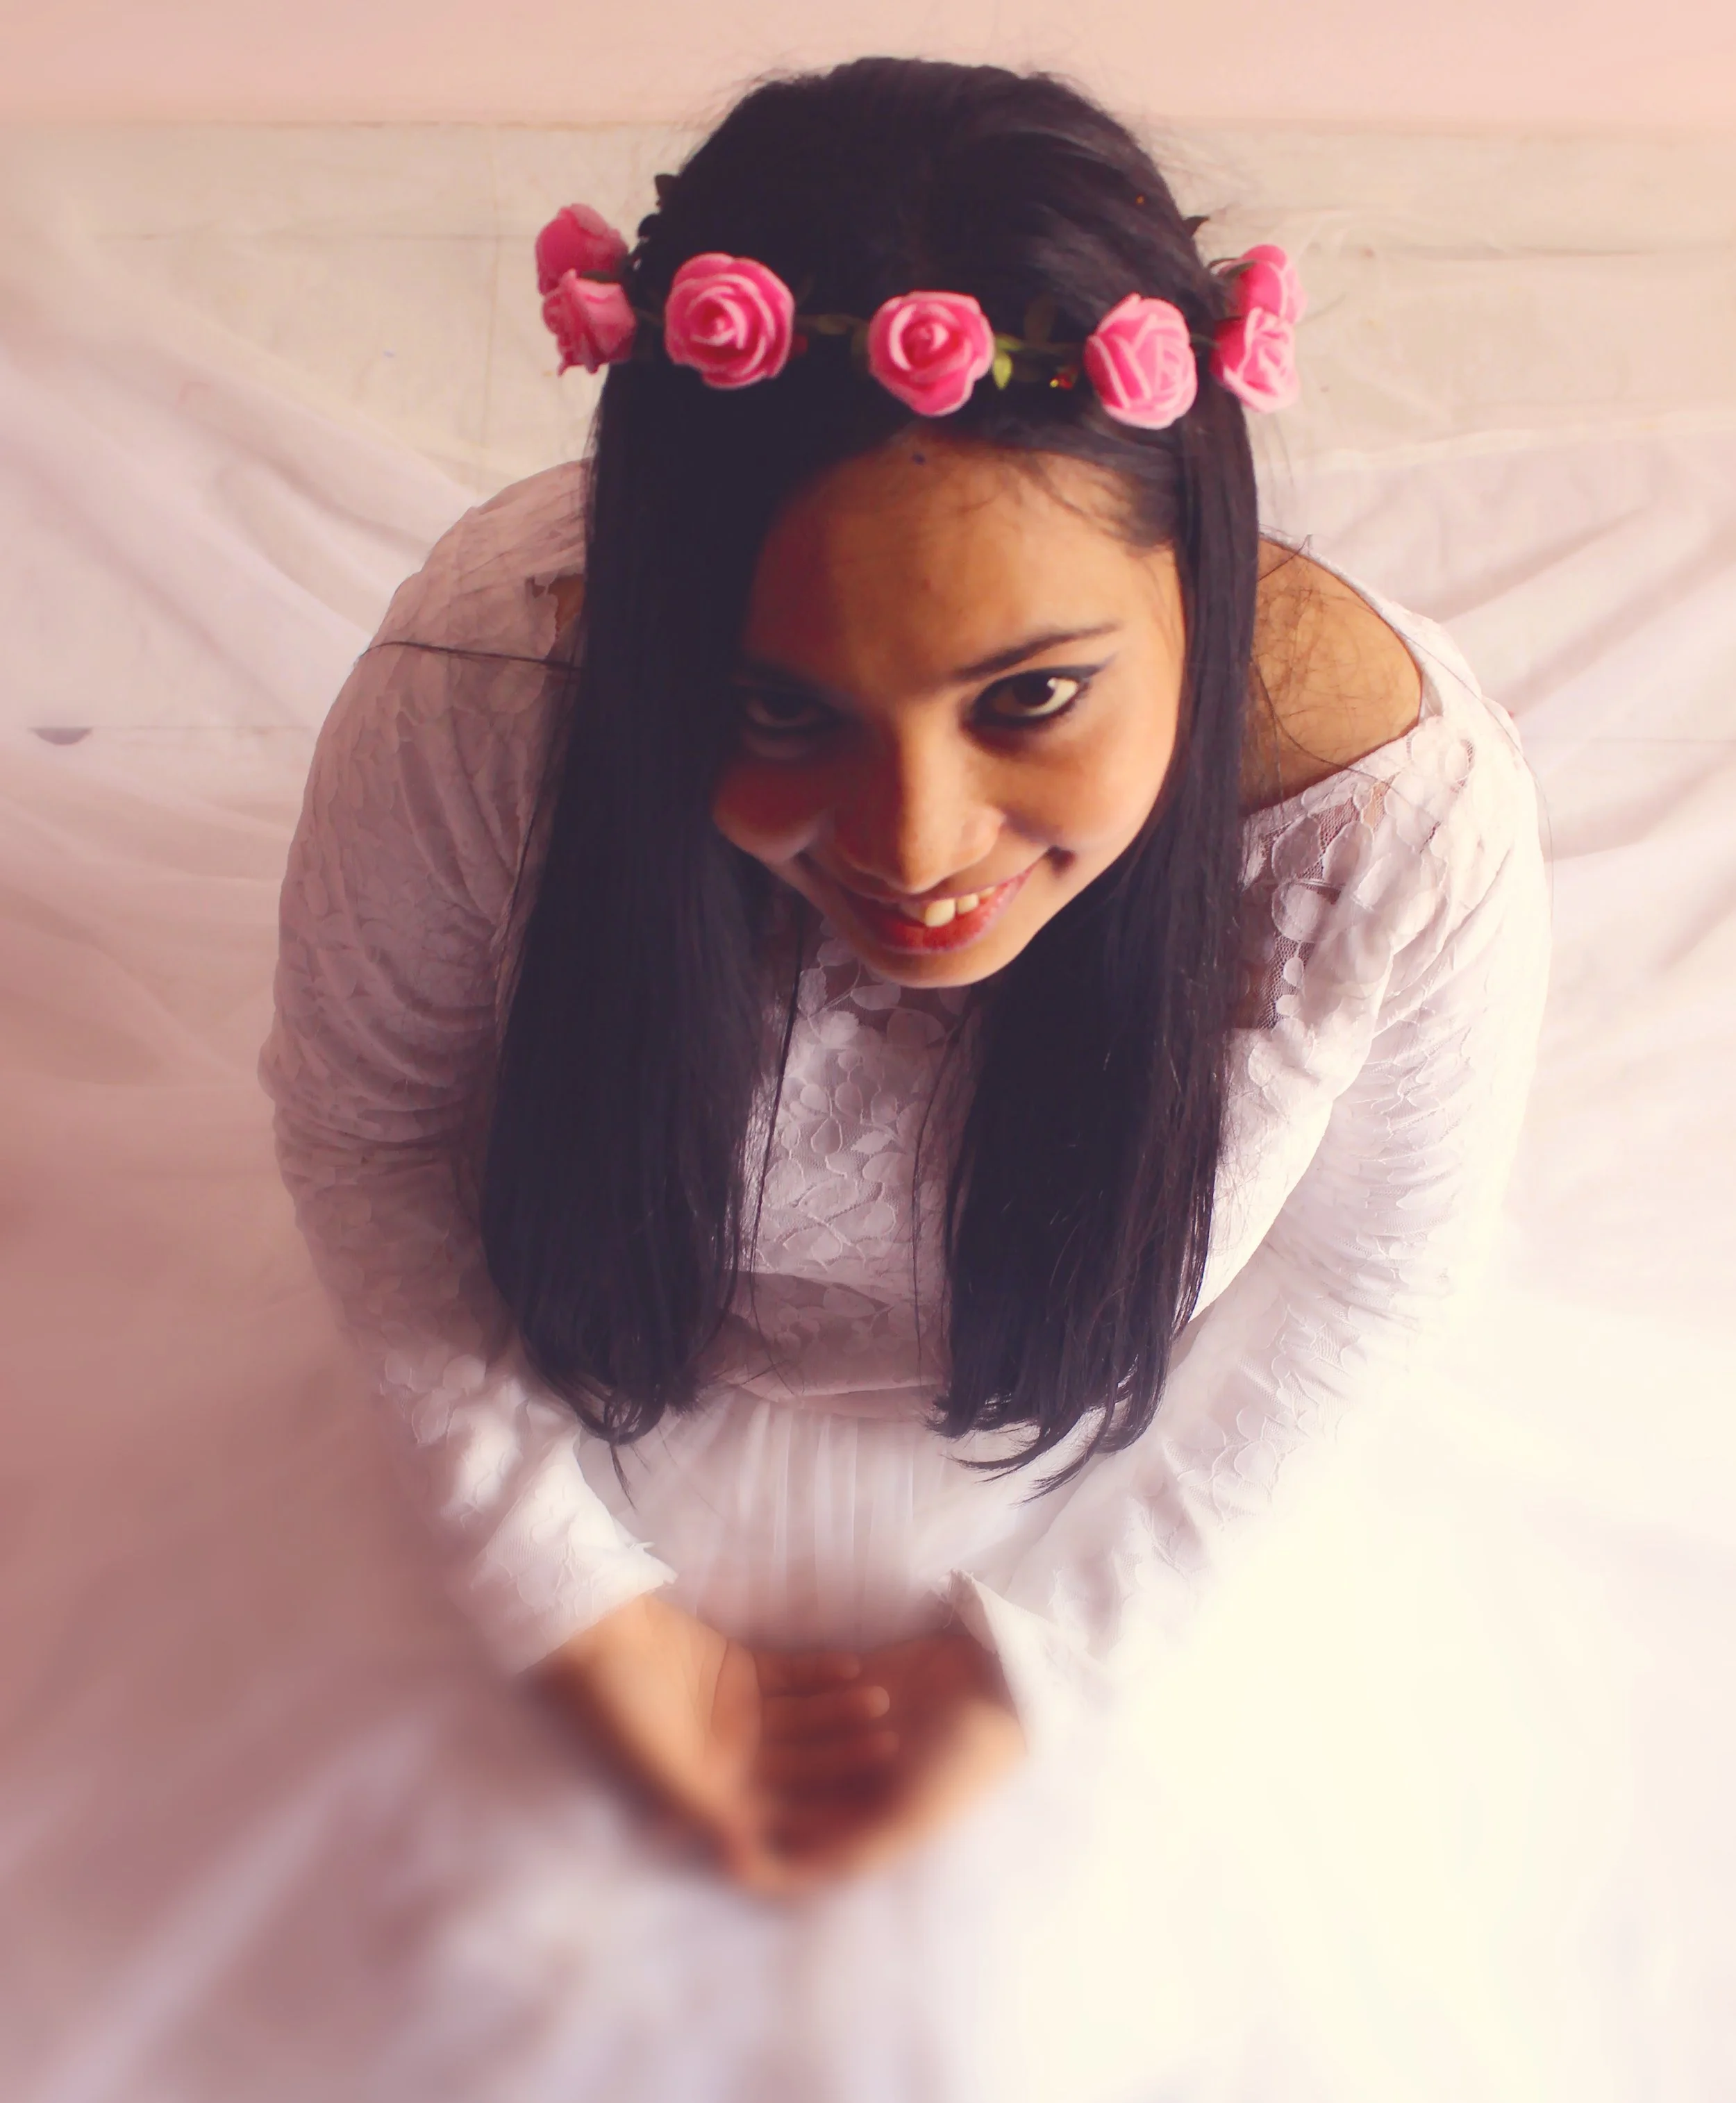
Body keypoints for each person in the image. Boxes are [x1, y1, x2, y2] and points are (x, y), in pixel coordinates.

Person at [262, 55, 1549, 1922]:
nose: (912, 847)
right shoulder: (483, 699)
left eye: (1028, 696)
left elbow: (1376, 1268)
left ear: (1192, 563)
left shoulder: (1395, 831)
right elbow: (369, 1125)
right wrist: (575, 1606)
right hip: (538, 1410)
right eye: (776, 705)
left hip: (1116, 1505)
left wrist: (1044, 1659)